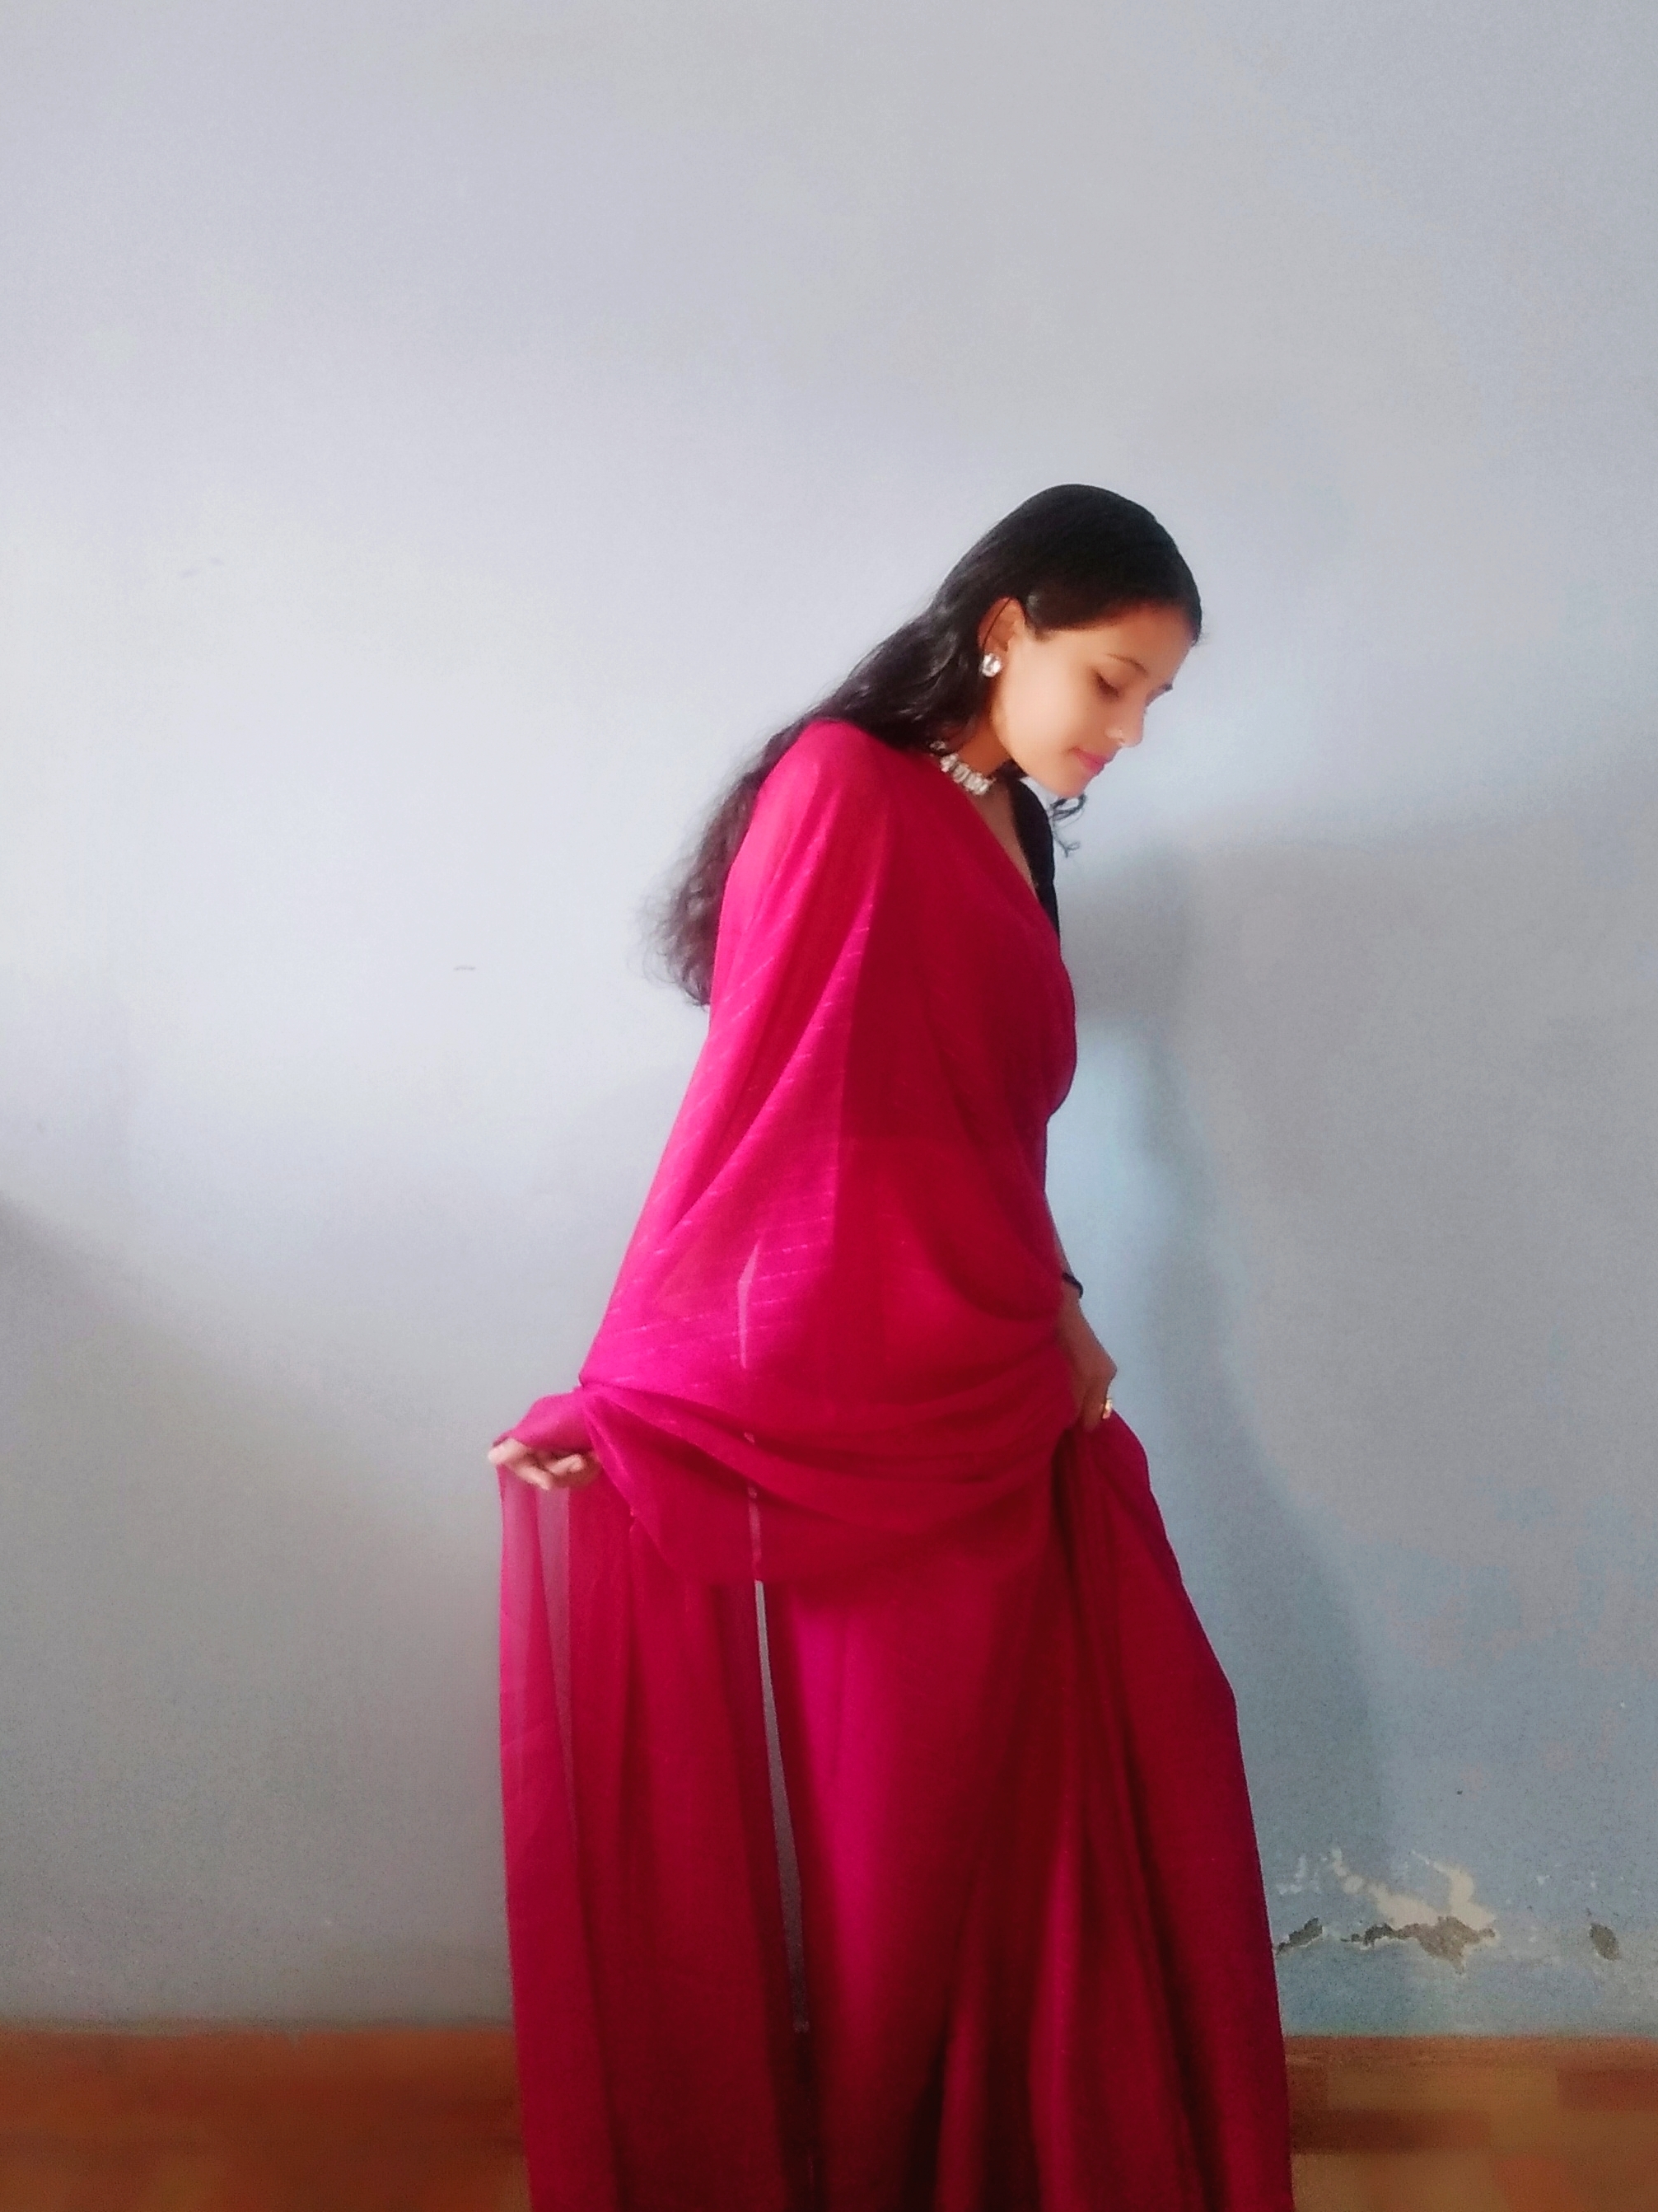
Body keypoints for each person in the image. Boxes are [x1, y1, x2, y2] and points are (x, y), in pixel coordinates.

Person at [488, 484, 1296, 2211]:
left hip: (1018, 1381)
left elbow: (980, 1125)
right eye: (1109, 679)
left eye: (1155, 698)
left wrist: (1063, 1305)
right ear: (1003, 628)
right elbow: (764, 1114)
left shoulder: (1011, 824)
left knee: (1101, 1775)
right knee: (902, 1853)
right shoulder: (840, 790)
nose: (1127, 731)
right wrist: (630, 1397)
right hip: (872, 1409)